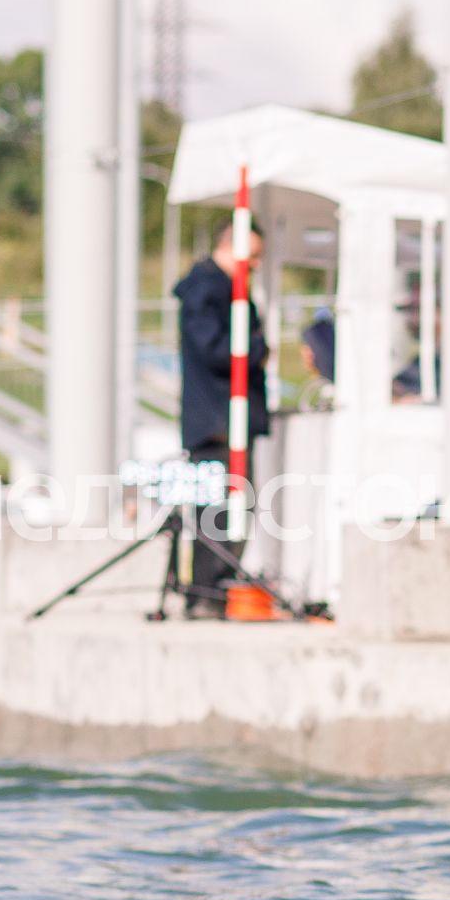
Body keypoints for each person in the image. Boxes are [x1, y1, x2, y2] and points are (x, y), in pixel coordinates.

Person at [168, 220, 276, 615]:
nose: (258, 265)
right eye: (255, 255)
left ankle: (212, 593)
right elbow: (221, 351)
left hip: (224, 419)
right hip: (218, 421)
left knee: (226, 509)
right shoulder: (209, 289)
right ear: (232, 245)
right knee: (219, 511)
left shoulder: (218, 289)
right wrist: (260, 348)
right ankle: (208, 595)